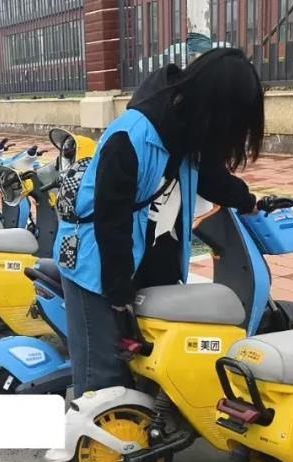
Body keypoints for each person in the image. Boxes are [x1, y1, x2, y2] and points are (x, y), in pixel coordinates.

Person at [55, 48, 263, 397]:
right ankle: (92, 428)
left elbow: (210, 176)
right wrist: (117, 289)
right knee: (103, 379)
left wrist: (248, 202)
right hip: (97, 265)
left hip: (148, 264)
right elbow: (111, 218)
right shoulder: (131, 136)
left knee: (148, 369)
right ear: (215, 108)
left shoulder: (189, 128)